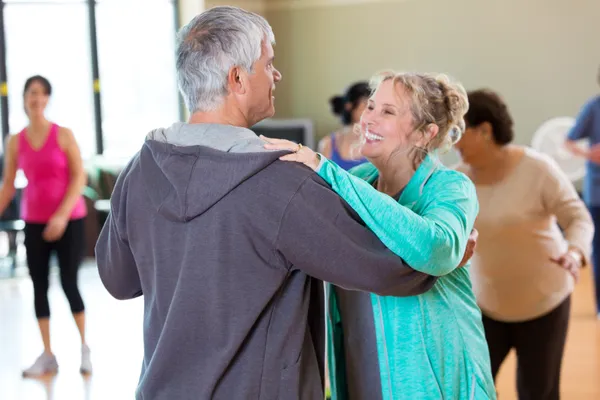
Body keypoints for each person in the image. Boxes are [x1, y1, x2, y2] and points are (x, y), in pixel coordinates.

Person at [95, 7, 480, 399]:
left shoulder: (139, 170)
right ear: (238, 79)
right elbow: (392, 268)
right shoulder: (280, 180)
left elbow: (118, 279)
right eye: (269, 63)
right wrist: (452, 253)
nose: (276, 74)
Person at [262, 71, 495, 399]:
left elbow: (435, 249)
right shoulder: (358, 180)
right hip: (362, 361)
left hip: (435, 376)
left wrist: (328, 171)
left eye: (388, 112)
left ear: (424, 134)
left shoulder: (450, 187)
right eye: (370, 107)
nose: (368, 119)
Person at [454, 89, 593, 399]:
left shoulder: (537, 169)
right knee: (473, 389)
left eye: (460, 132)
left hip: (544, 302)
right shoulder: (457, 181)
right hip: (487, 305)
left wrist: (574, 252)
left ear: (485, 130)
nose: (454, 142)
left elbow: (578, 219)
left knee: (537, 392)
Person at [0, 75, 91, 376]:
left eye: (41, 94)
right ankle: (48, 354)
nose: (36, 99)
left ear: (48, 99)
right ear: (25, 99)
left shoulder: (63, 134)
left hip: (69, 220)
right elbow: (9, 186)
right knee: (38, 286)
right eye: (31, 94)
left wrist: (61, 216)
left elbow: (79, 177)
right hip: (34, 222)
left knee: (68, 282)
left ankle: (84, 347)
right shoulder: (16, 141)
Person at [564, 67, 600, 318]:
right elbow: (568, 141)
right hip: (597, 191)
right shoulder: (593, 108)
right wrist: (590, 154)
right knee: (598, 250)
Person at [319, 82, 369, 170]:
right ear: (349, 106)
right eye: (366, 105)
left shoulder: (379, 143)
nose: (371, 112)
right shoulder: (328, 144)